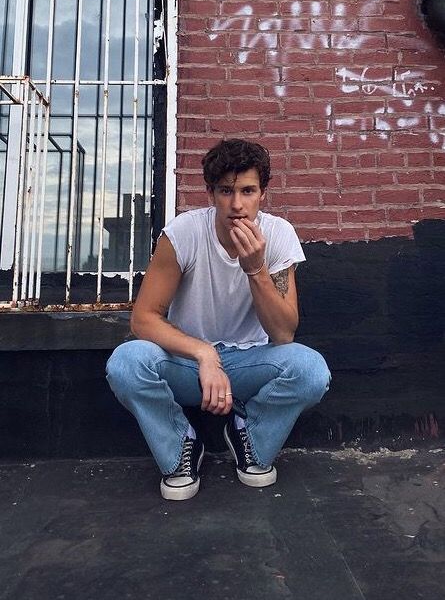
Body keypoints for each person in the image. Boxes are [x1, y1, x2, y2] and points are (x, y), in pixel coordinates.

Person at [106, 138, 330, 501]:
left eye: (247, 190)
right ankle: (182, 445)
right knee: (126, 363)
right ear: (210, 193)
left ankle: (249, 438)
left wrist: (256, 269)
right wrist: (204, 354)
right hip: (188, 364)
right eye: (226, 190)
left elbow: (284, 333)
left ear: (263, 193)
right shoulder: (184, 233)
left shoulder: (278, 235)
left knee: (311, 372)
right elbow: (143, 320)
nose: (237, 205)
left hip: (248, 365)